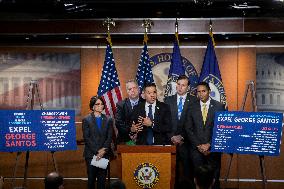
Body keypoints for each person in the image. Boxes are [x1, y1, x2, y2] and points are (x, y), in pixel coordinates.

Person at [185, 82, 225, 189]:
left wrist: (209, 144)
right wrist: (199, 145)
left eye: (204, 91)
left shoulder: (219, 106)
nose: (201, 94)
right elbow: (188, 129)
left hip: (213, 150)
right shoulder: (191, 107)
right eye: (198, 91)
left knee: (214, 178)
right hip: (196, 150)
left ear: (209, 92)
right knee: (197, 178)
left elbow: (221, 129)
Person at [164, 75, 197, 188]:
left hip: (186, 143)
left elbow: (194, 123)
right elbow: (165, 121)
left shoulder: (194, 100)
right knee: (172, 172)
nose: (180, 87)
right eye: (178, 84)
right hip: (170, 142)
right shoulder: (168, 100)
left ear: (188, 87)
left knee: (188, 171)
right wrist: (172, 137)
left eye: (183, 85)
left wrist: (182, 137)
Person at [82, 96, 113, 189]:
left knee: (102, 180)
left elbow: (109, 137)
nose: (100, 106)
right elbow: (87, 138)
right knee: (91, 180)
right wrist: (97, 152)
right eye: (98, 104)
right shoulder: (86, 119)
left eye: (102, 104)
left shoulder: (108, 119)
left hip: (104, 154)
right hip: (91, 154)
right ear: (92, 106)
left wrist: (103, 151)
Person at [115, 79, 143, 144]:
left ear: (138, 89)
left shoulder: (146, 103)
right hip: (125, 140)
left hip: (142, 140)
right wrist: (130, 129)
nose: (132, 91)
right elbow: (118, 123)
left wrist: (138, 133)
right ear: (127, 91)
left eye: (134, 88)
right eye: (129, 89)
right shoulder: (121, 105)